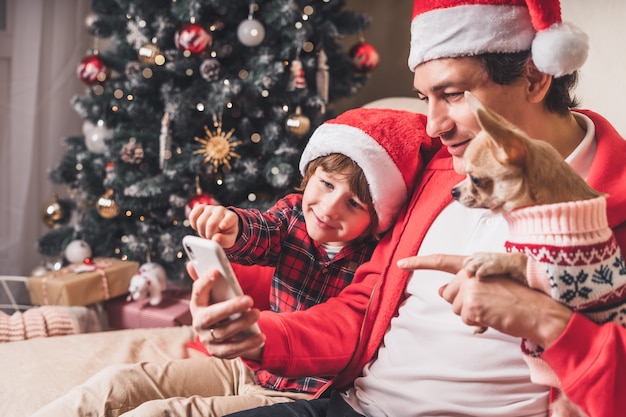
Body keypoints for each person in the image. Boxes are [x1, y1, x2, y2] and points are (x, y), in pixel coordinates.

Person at [188, 0, 626, 416]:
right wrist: (264, 336)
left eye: (452, 94)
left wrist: (544, 321)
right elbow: (362, 307)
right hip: (351, 405)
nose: (435, 125)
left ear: (533, 77)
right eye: (425, 98)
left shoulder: (610, 210)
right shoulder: (441, 169)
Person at [31, 108, 437, 417]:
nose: (329, 208)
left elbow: (340, 331)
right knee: (118, 382)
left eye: (354, 202)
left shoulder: (371, 258)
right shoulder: (294, 215)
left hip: (296, 393)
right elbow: (264, 231)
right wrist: (231, 226)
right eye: (326, 184)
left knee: (158, 413)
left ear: (377, 217)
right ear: (310, 174)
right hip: (244, 367)